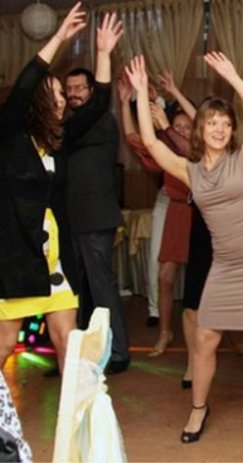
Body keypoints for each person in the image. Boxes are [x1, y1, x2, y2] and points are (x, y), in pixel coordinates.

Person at [125, 52, 243, 448]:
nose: (220, 129)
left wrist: (233, 78)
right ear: (200, 129)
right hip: (225, 266)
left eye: (226, 124)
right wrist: (141, 94)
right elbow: (152, 144)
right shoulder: (190, 171)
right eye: (212, 123)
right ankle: (198, 408)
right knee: (205, 338)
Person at [0, 5, 121, 373]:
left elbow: (97, 105)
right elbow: (25, 83)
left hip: (57, 260)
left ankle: (72, 412)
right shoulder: (9, 136)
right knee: (5, 342)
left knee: (68, 341)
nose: (63, 100)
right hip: (18, 259)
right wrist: (59, 38)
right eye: (55, 93)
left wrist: (103, 54)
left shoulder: (59, 141)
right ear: (38, 101)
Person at [65, 25, 128, 374]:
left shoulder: (98, 120)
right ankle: (79, 354)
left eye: (79, 88)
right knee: (76, 292)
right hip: (72, 220)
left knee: (102, 289)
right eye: (69, 89)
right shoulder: (70, 122)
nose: (73, 94)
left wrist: (104, 55)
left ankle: (119, 353)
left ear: (91, 90)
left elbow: (93, 110)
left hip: (96, 218)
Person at [119, 71, 195, 357]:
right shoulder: (164, 149)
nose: (183, 131)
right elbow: (132, 138)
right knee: (165, 277)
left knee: (212, 277)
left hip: (201, 214)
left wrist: (173, 94)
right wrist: (124, 103)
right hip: (176, 211)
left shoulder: (200, 150)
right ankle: (165, 332)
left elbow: (192, 136)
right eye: (178, 126)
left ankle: (230, 333)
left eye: (187, 127)